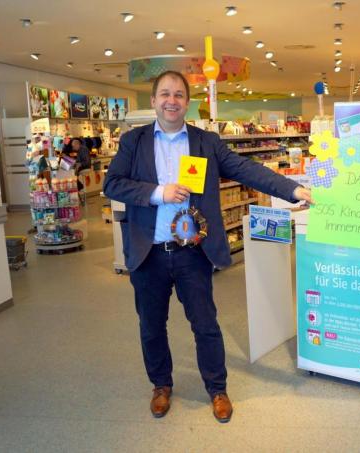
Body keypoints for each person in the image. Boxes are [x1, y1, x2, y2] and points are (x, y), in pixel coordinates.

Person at [103, 70, 312, 423]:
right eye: (165, 94)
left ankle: (217, 389)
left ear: (188, 102)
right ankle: (161, 385)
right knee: (151, 326)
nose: (171, 101)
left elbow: (246, 170)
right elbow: (113, 184)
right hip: (148, 252)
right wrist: (159, 193)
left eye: (179, 95)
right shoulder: (133, 142)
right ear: (153, 100)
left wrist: (293, 189)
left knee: (206, 325)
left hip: (192, 252)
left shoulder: (206, 142)